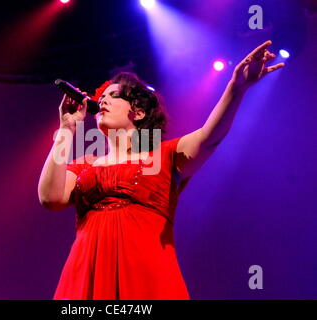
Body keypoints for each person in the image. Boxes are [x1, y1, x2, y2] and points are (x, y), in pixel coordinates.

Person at [38, 40, 284, 300]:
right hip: (86, 272)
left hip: (145, 275)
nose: (103, 101)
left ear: (140, 112)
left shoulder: (164, 156)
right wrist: (66, 130)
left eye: (113, 95)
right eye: (102, 98)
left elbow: (209, 136)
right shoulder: (85, 164)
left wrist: (236, 87)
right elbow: (50, 198)